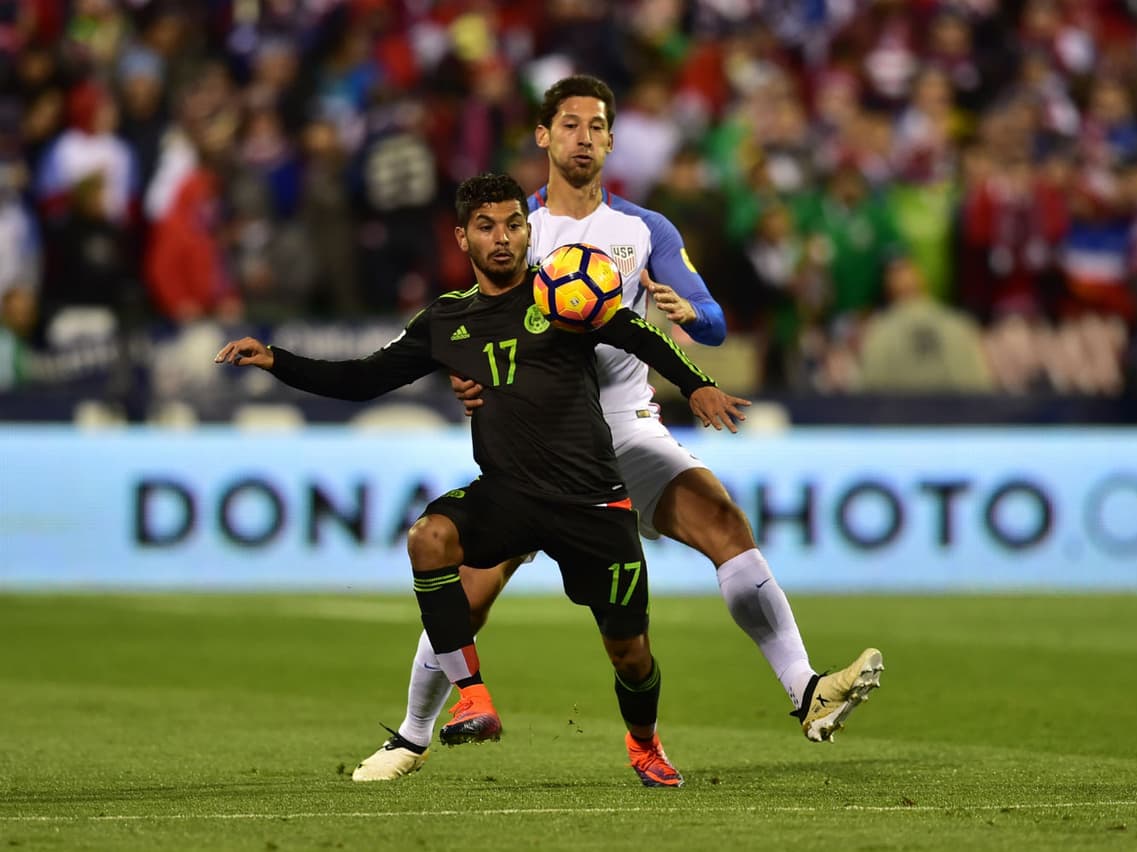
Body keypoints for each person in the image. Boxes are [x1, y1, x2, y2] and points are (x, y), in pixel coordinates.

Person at [353, 75, 883, 783]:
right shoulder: (515, 225)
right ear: (543, 136)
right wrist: (466, 373)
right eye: (569, 124)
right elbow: (465, 326)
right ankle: (413, 737)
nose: (583, 137)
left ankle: (807, 691)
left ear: (610, 139)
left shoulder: (643, 231)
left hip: (625, 426)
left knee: (724, 523)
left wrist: (691, 317)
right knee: (469, 594)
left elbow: (715, 317)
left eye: (597, 126)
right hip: (540, 436)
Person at [216, 172, 750, 787]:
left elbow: (638, 334)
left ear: (528, 230)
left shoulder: (564, 295)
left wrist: (697, 383)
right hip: (510, 493)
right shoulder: (445, 320)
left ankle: (644, 743)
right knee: (428, 539)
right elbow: (363, 379)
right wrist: (277, 360)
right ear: (462, 238)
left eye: (515, 224)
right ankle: (473, 699)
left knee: (630, 654)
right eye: (487, 227)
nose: (504, 238)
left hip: (593, 501)